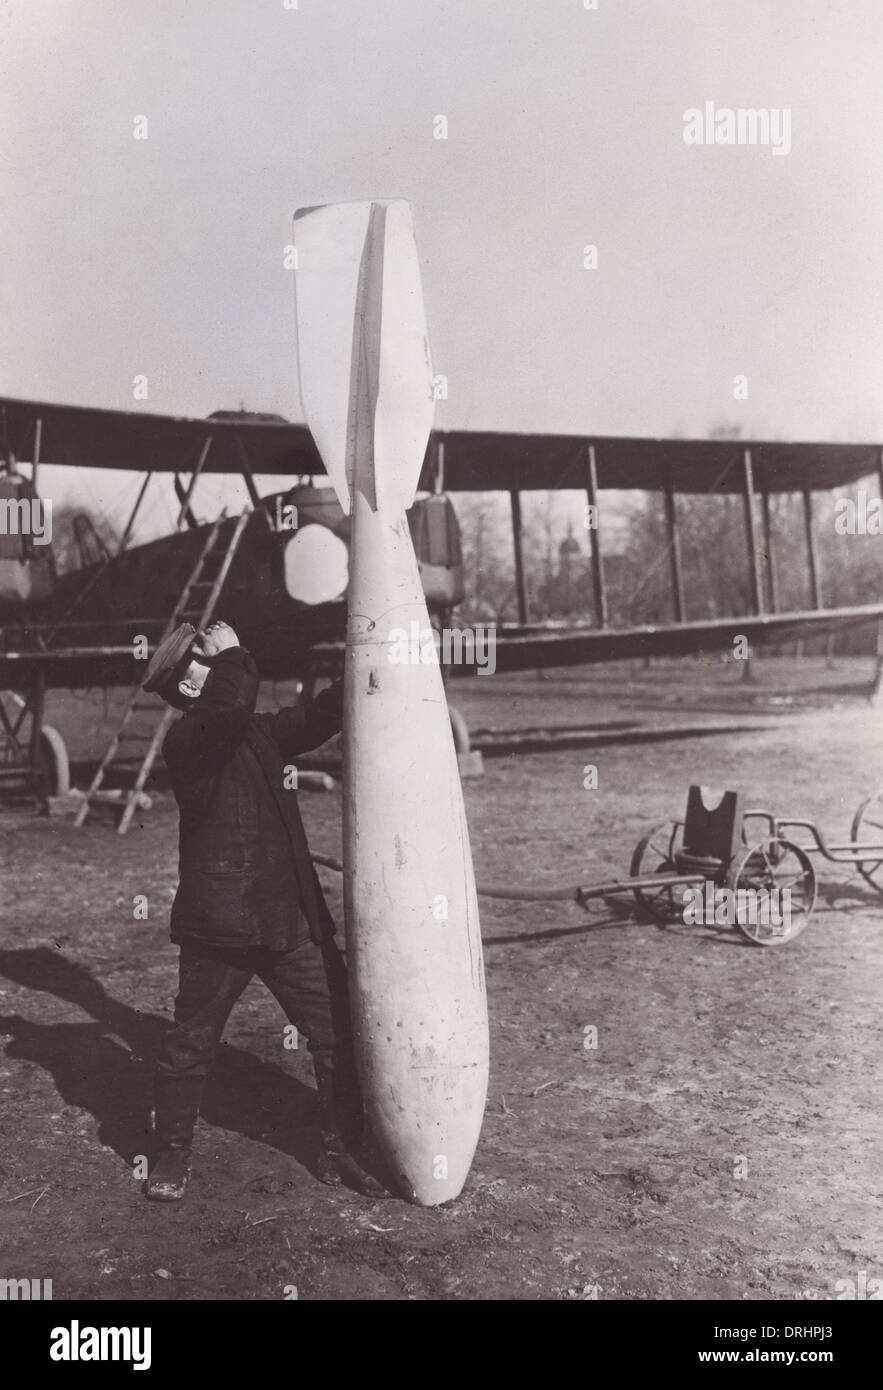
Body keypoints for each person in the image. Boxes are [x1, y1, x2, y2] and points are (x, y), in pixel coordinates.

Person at [141, 618, 385, 1201]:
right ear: (193, 684)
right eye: (210, 659)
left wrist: (368, 667)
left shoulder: (252, 732)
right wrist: (236, 652)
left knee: (335, 1034)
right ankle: (170, 1156)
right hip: (219, 927)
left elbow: (315, 718)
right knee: (189, 1045)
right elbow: (228, 708)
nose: (225, 661)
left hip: (286, 920)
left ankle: (340, 1148)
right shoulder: (189, 740)